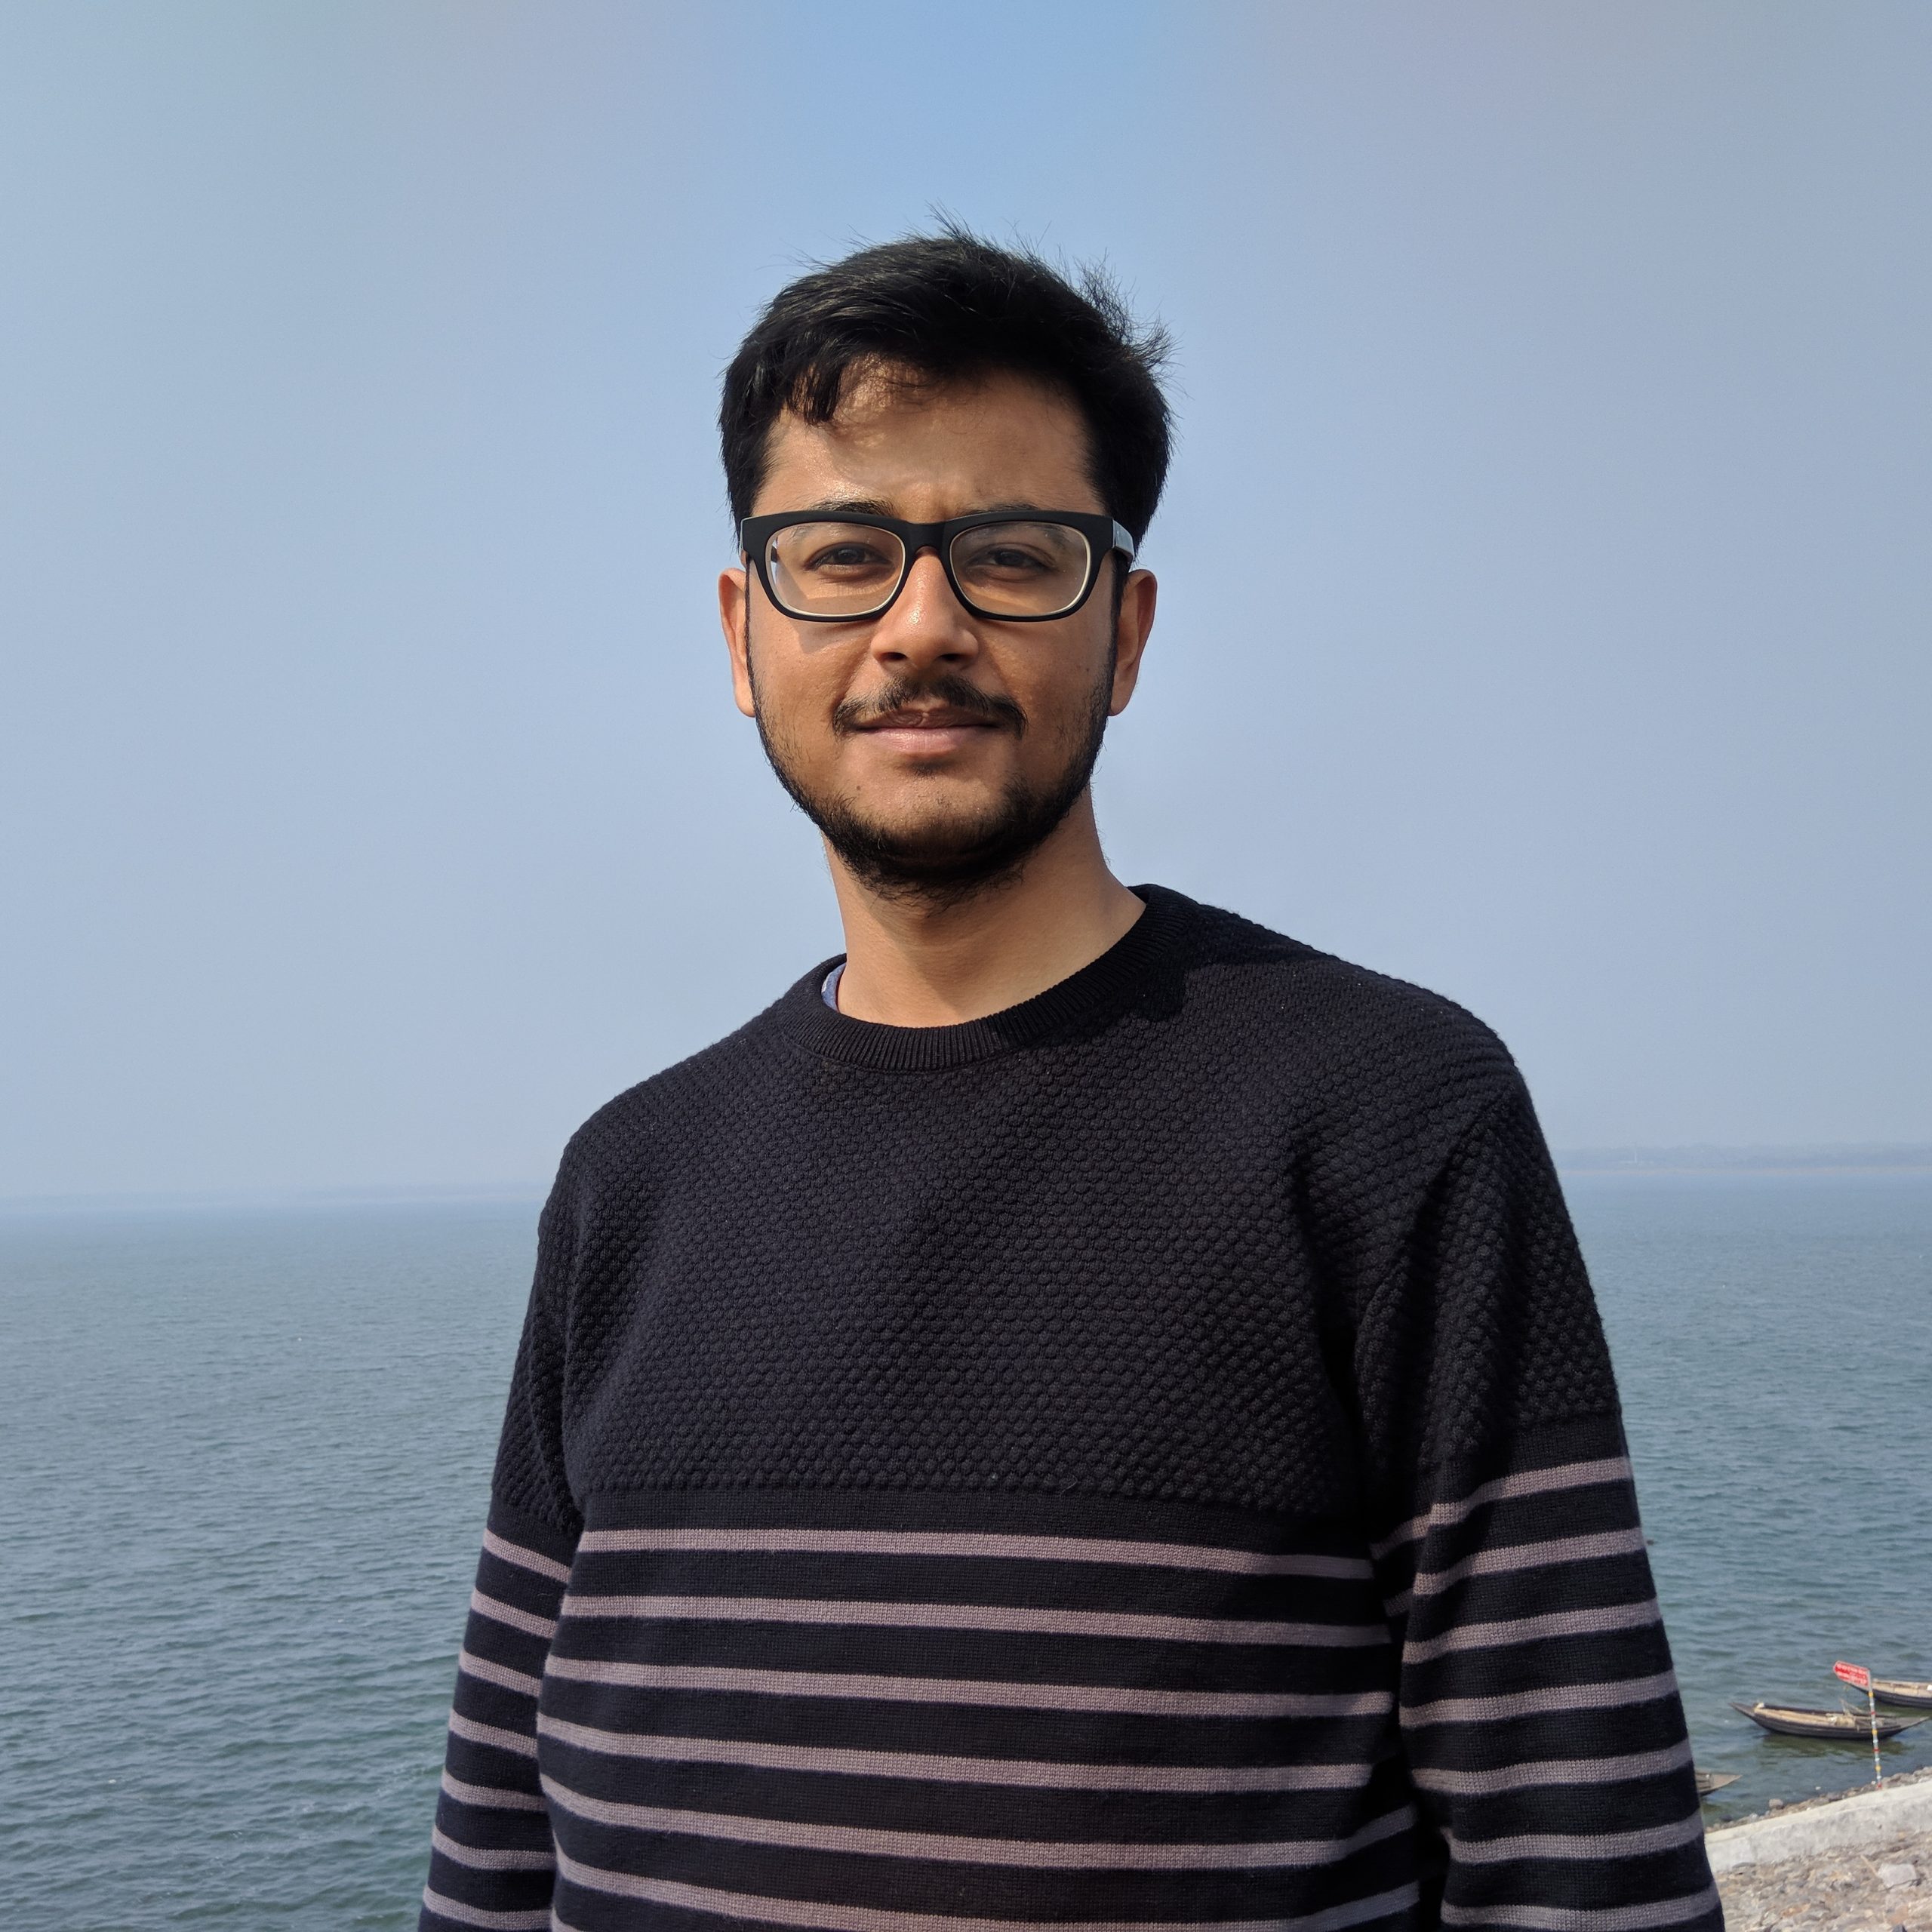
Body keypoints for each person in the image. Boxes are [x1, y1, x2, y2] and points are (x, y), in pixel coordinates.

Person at [419, 229, 1718, 1932]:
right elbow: (497, 1851)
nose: (921, 626)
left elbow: (1578, 1853)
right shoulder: (630, 1180)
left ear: (1124, 629)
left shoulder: (1386, 1115)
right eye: (840, 555)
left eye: (1015, 556)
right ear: (744, 635)